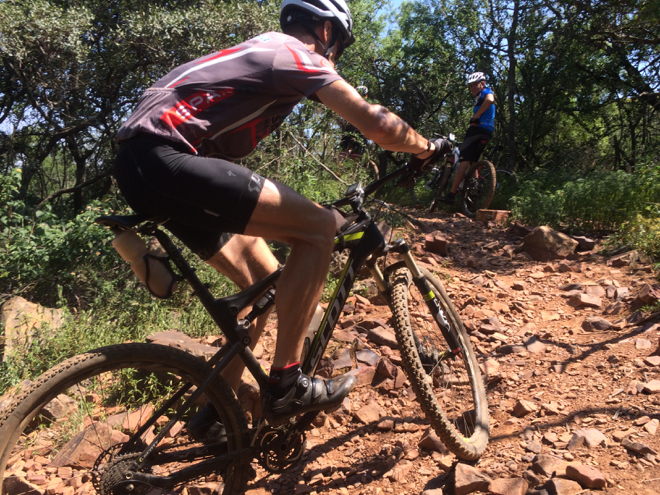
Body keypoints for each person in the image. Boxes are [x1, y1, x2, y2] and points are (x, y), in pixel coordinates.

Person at [113, 0, 448, 433]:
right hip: (170, 159)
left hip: (142, 168)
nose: (334, 57)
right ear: (327, 32)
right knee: (316, 231)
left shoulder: (255, 54)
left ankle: (214, 415)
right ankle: (287, 384)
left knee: (263, 285)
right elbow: (376, 124)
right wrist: (427, 147)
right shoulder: (291, 53)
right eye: (339, 45)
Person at [440, 72, 495, 204]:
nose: (473, 88)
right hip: (487, 132)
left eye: (475, 85)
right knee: (473, 163)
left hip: (476, 131)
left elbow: (490, 100)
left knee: (463, 163)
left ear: (482, 84)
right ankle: (473, 192)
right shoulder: (479, 98)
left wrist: (475, 117)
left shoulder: (486, 92)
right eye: (470, 86)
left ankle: (451, 195)